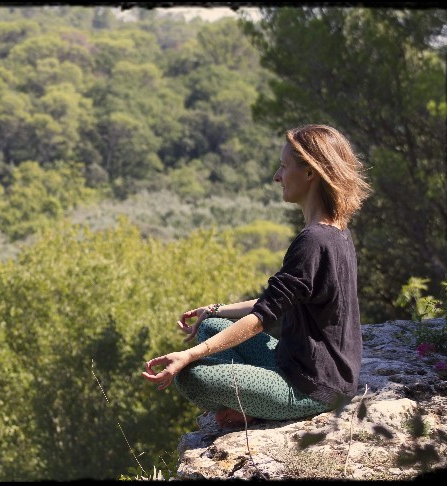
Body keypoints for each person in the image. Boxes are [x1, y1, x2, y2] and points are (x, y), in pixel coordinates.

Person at [142, 124, 372, 428]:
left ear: (309, 173)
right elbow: (275, 301)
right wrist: (213, 309)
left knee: (190, 376)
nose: (277, 177)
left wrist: (188, 355)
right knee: (210, 325)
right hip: (303, 365)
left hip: (312, 388)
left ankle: (258, 406)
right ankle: (253, 396)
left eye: (283, 167)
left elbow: (262, 318)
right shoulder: (336, 233)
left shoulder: (313, 241)